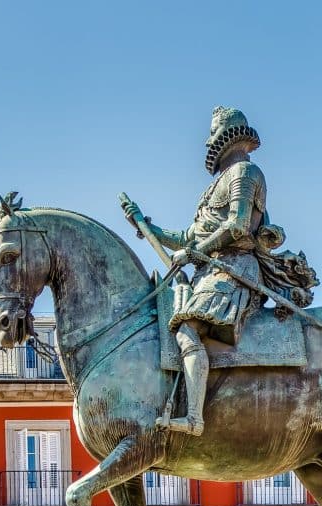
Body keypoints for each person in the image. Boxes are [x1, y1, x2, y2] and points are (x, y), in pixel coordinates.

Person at [124, 107, 299, 436]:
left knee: (187, 327)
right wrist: (148, 226)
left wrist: (196, 252)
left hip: (234, 269)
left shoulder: (246, 173)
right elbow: (189, 236)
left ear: (224, 139)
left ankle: (193, 418)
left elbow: (237, 226)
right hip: (210, 270)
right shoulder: (217, 185)